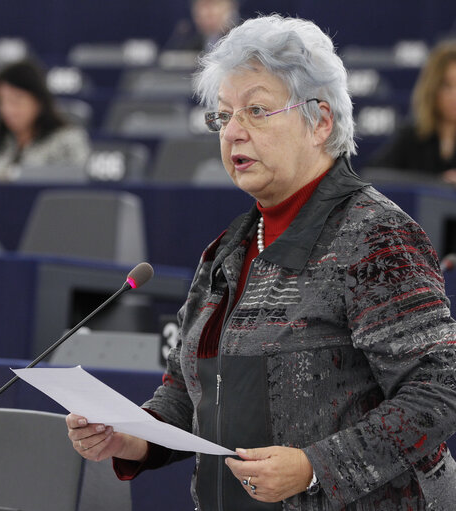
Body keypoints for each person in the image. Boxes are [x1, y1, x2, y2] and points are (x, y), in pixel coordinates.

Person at [66, 14, 456, 510]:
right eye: (224, 116)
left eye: (256, 110)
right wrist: (134, 437)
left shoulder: (378, 236)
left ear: (320, 121)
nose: (233, 133)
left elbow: (439, 392)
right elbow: (190, 394)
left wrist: (315, 468)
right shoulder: (229, 248)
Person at [0, 59, 90, 183]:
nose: (7, 110)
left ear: (39, 101)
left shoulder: (69, 139)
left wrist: (15, 175)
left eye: (16, 101)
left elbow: (76, 175)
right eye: (1, 101)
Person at [368, 39, 456, 183]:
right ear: (433, 89)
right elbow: (373, 175)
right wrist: (438, 183)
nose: (454, 96)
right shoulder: (412, 136)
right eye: (447, 86)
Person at [164, 0, 239, 53]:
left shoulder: (240, 41)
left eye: (214, 5)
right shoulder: (190, 45)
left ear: (230, 9)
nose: (206, 13)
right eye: (202, 6)